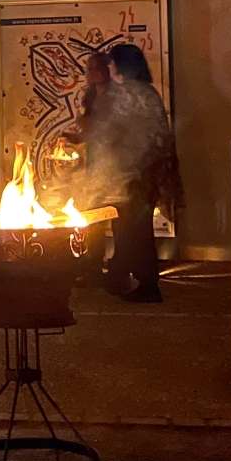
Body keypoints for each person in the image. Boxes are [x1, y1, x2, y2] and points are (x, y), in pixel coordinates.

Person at [89, 43, 181, 304]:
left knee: (134, 230)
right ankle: (123, 275)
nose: (109, 68)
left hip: (134, 175)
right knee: (129, 229)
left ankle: (146, 283)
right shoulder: (146, 93)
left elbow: (116, 134)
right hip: (143, 174)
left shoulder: (130, 94)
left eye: (112, 63)